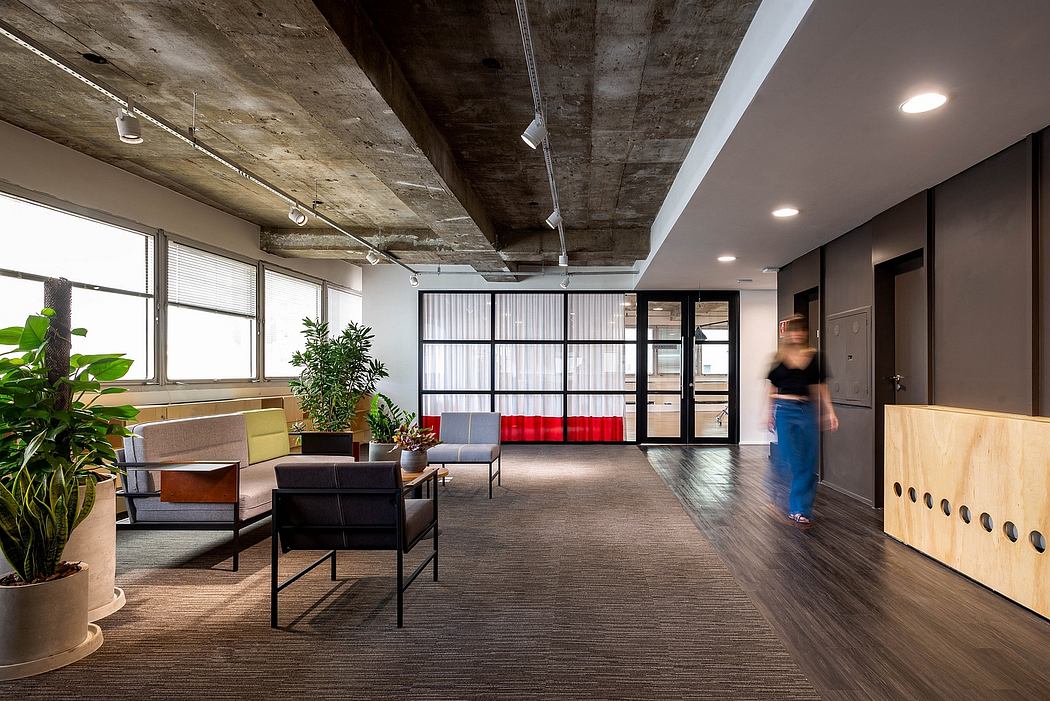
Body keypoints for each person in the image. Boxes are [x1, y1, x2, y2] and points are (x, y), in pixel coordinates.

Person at [766, 314, 838, 528]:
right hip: (784, 410)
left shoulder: (815, 357)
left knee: (808, 461)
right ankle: (785, 492)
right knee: (792, 459)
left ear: (806, 333)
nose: (797, 333)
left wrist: (830, 412)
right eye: (794, 330)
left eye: (801, 330)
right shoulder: (779, 357)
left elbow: (820, 386)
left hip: (807, 409)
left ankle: (800, 510)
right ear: (788, 334)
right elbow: (772, 388)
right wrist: (767, 413)